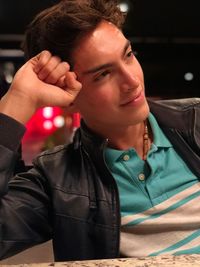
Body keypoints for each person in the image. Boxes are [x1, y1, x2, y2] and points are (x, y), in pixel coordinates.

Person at [0, 0, 200, 262]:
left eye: (128, 55)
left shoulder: (195, 120)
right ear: (68, 95)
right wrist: (17, 102)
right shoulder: (58, 181)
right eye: (103, 74)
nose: (132, 81)